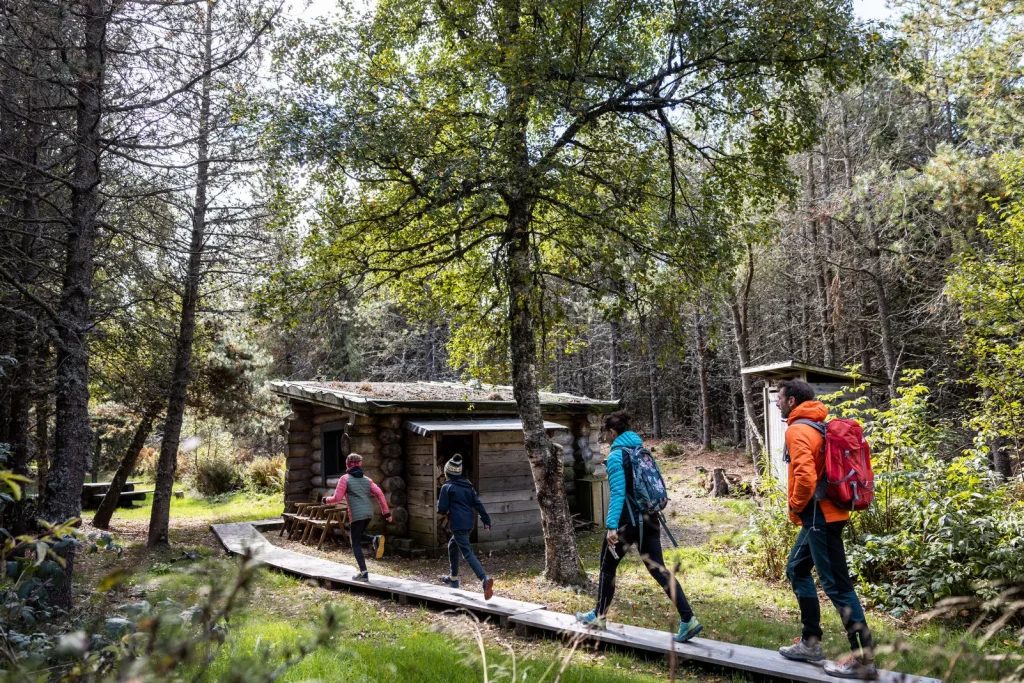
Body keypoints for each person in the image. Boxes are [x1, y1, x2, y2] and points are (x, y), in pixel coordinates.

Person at [776, 379, 876, 679]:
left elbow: (805, 477)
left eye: (779, 399)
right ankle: (810, 643)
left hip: (822, 518)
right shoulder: (817, 425)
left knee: (837, 586)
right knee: (796, 568)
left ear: (792, 401)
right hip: (821, 517)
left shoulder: (797, 430)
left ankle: (863, 660)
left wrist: (794, 504)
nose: (777, 403)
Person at [575, 410, 702, 643]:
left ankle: (599, 616)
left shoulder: (616, 456)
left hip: (627, 523)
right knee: (658, 569)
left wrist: (611, 526)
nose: (605, 438)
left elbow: (618, 493)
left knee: (607, 567)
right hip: (650, 518)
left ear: (613, 432)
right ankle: (688, 619)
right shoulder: (641, 451)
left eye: (606, 434)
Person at [322, 453, 392, 581]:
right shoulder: (367, 480)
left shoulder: (345, 478)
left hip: (357, 514)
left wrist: (326, 500)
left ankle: (363, 572)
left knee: (355, 543)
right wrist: (386, 513)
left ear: (347, 464)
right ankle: (373, 539)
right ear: (360, 464)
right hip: (368, 513)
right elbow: (380, 494)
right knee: (357, 536)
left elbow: (337, 498)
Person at [436, 454, 495, 600]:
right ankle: (453, 578)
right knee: (452, 545)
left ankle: (484, 579)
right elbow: (478, 504)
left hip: (458, 524)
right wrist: (486, 520)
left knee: (467, 553)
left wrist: (445, 504)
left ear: (447, 473)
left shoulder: (447, 487)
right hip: (469, 523)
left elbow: (442, 508)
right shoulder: (468, 486)